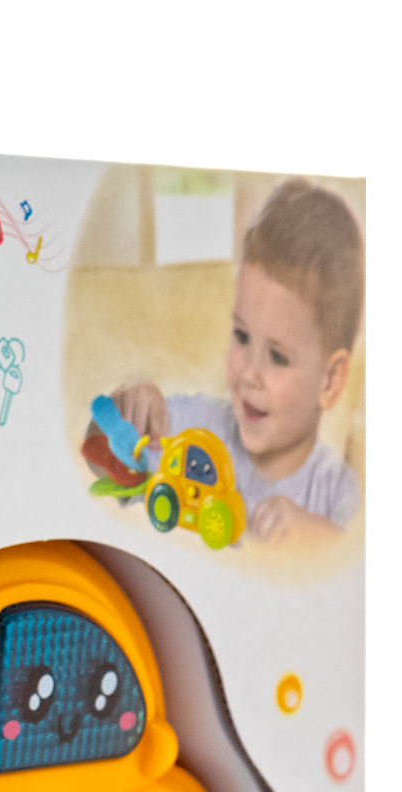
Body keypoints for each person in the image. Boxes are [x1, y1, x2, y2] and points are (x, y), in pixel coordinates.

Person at [111, 179, 363, 545]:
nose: (248, 373)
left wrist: (319, 542)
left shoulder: (339, 494)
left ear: (329, 381)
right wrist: (122, 414)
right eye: (242, 336)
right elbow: (103, 467)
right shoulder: (193, 430)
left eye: (277, 356)